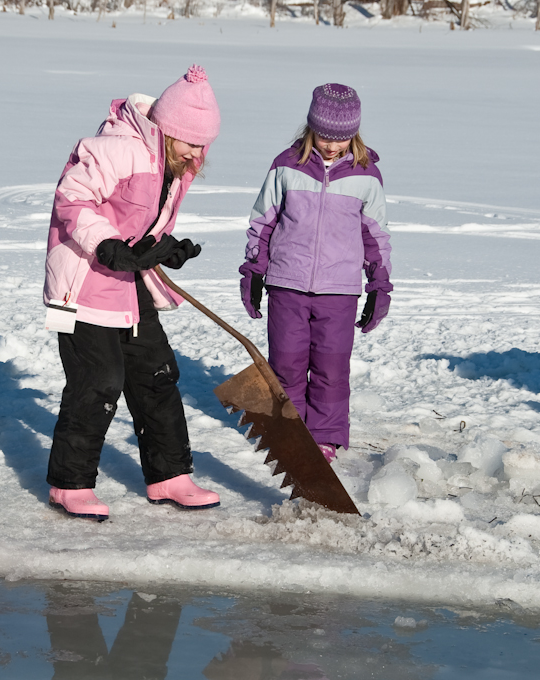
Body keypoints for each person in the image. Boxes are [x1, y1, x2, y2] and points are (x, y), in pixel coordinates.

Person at [43, 65, 221, 521]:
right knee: (98, 381)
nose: (197, 153)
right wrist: (106, 243)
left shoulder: (174, 163)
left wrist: (162, 249)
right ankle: (71, 483)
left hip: (130, 282)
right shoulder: (119, 150)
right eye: (190, 142)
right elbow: (72, 198)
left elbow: (140, 222)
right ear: (165, 129)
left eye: (204, 144)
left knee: (157, 374)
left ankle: (169, 475)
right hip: (85, 280)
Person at [239, 84, 391, 461]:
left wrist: (379, 285)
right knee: (287, 362)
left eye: (341, 139)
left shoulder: (366, 175)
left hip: (339, 289)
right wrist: (254, 270)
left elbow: (376, 235)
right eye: (324, 136)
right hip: (287, 282)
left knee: (331, 367)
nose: (331, 146)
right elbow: (263, 221)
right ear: (311, 127)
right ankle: (290, 431)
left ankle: (324, 435)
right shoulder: (286, 166)